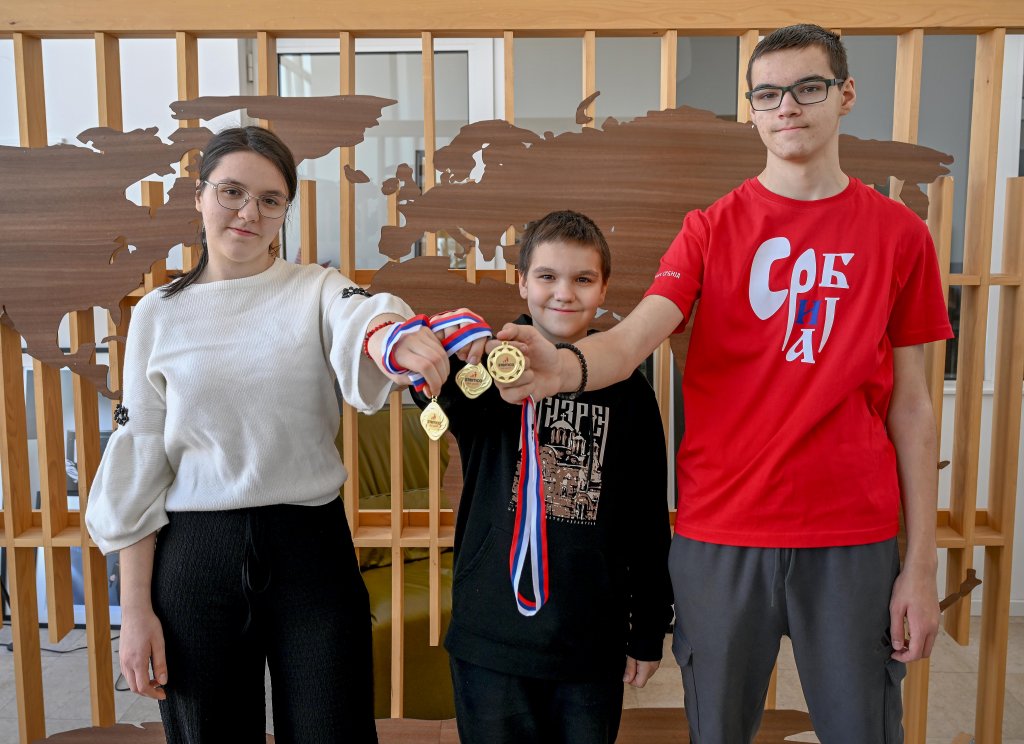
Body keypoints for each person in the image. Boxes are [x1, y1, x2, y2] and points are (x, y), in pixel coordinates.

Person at [493, 26, 952, 743]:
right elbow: (632, 340)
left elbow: (914, 405)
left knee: (863, 729)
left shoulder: (900, 234)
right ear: (752, 110)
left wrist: (920, 565)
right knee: (716, 731)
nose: (787, 106)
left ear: (845, 95)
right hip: (721, 532)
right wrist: (565, 368)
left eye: (808, 88)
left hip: (852, 532)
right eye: (767, 94)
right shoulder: (710, 228)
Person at [85, 126, 482, 744]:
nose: (249, 213)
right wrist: (134, 611)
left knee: (334, 730)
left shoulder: (316, 289)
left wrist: (392, 337)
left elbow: (362, 313)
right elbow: (139, 458)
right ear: (199, 196)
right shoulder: (157, 313)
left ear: (284, 211)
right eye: (232, 192)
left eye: (270, 200)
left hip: (310, 547)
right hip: (196, 556)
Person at [415, 210, 672, 744]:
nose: (564, 293)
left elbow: (648, 517)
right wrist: (443, 343)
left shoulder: (628, 389)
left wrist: (648, 629)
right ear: (522, 282)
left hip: (589, 640)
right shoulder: (488, 367)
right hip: (490, 635)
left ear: (604, 288)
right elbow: (433, 392)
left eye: (583, 279)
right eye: (547, 276)